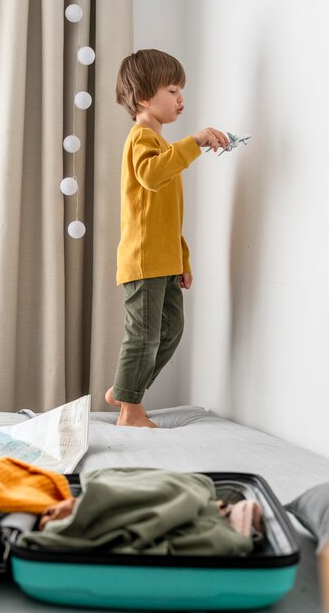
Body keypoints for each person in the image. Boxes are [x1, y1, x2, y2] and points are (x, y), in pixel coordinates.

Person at [105, 49, 229, 428]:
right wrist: (195, 141)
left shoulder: (164, 147)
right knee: (143, 336)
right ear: (144, 97)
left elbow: (168, 218)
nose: (181, 98)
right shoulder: (141, 139)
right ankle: (130, 410)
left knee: (171, 331)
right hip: (143, 260)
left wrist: (183, 260)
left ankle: (123, 389)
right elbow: (151, 175)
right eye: (172, 89)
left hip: (165, 260)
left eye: (181, 90)